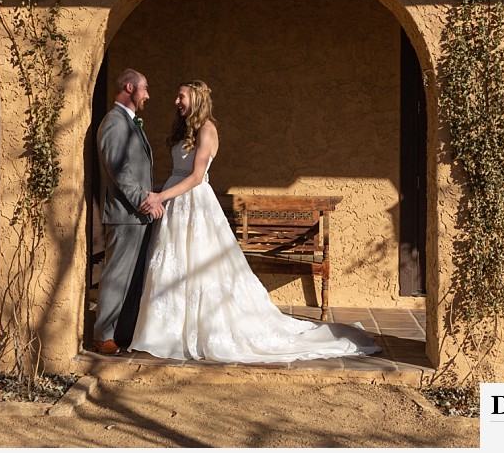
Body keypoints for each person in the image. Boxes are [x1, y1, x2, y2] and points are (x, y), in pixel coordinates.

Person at [128, 80, 380, 363]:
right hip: (177, 206)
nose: (176, 101)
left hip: (195, 206)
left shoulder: (208, 130)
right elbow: (178, 174)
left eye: (181, 96)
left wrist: (161, 197)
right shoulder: (187, 130)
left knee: (199, 266)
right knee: (173, 265)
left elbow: (196, 177)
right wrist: (155, 190)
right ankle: (165, 333)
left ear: (196, 99)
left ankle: (202, 330)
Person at [93, 68, 165, 355]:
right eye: (144, 88)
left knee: (132, 277)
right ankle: (103, 335)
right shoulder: (114, 123)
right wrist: (142, 200)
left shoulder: (129, 122)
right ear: (129, 87)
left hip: (137, 215)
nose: (148, 94)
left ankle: (121, 333)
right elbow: (119, 170)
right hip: (125, 215)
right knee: (117, 275)